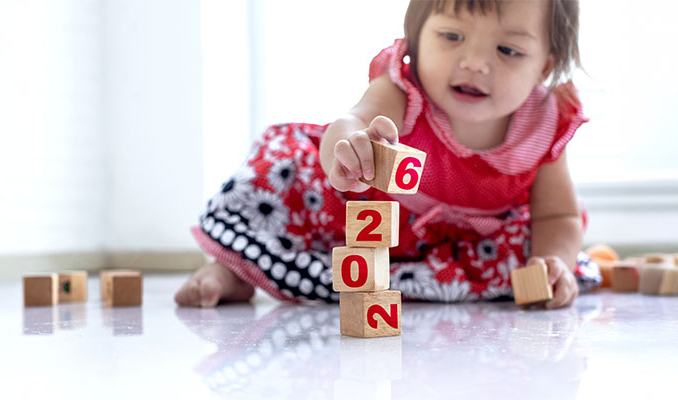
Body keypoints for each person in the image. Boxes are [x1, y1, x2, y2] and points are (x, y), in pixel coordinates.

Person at [176, 0, 600, 308]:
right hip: (362, 218)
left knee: (528, 249)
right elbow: (352, 121)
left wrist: (553, 262)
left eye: (508, 50)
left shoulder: (544, 123)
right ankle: (235, 269)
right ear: (417, 36)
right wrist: (350, 147)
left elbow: (557, 215)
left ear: (544, 66)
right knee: (282, 183)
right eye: (452, 36)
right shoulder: (402, 90)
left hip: (466, 242)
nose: (474, 63)